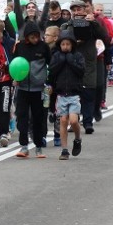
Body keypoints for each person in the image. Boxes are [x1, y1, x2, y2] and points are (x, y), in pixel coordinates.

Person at [59, 0, 107, 134]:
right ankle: (72, 122)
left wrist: (93, 22)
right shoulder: (66, 25)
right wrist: (73, 40)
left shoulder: (92, 23)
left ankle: (87, 123)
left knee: (88, 94)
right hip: (72, 64)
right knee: (72, 95)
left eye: (79, 9)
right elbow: (61, 42)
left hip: (88, 63)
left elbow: (104, 36)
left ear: (85, 10)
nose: (76, 13)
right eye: (73, 10)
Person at [13, 21, 51, 158]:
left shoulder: (44, 47)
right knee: (22, 117)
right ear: (26, 37)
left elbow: (50, 64)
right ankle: (24, 147)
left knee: (38, 118)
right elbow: (14, 63)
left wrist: (48, 83)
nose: (35, 39)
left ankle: (39, 147)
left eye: (37, 36)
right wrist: (15, 77)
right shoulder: (20, 47)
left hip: (39, 89)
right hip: (22, 88)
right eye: (32, 37)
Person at [48, 29, 84, 160]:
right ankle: (64, 150)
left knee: (74, 120)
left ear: (72, 44)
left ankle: (78, 138)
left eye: (68, 44)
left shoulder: (77, 56)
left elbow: (81, 71)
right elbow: (51, 72)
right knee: (63, 120)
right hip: (61, 94)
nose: (65, 47)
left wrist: (70, 61)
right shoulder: (56, 56)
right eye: (63, 44)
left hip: (74, 94)